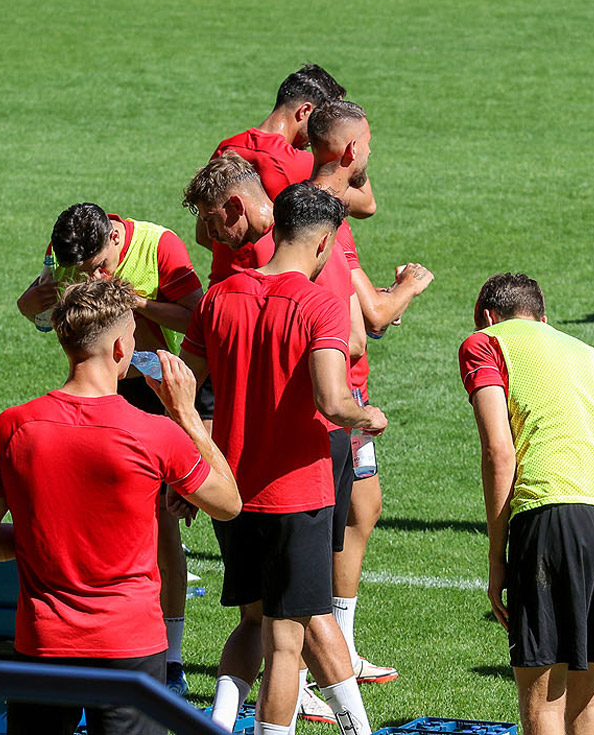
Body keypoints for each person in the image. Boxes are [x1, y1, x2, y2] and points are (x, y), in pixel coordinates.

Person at [0, 277, 241, 735]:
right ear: (119, 348)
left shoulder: (12, 427)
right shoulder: (154, 432)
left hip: (44, 644)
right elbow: (228, 504)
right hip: (130, 645)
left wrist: (45, 539)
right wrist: (187, 413)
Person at [181, 183, 384, 735]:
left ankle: (220, 723)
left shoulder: (218, 296)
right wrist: (369, 418)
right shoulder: (318, 304)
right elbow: (332, 401)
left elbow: (179, 386)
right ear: (324, 243)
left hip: (232, 491)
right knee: (287, 640)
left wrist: (191, 466)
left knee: (252, 620)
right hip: (297, 493)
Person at [15, 202, 207, 694]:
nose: (94, 277)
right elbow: (28, 309)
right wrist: (46, 295)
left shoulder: (159, 245)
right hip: (92, 390)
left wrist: (137, 305)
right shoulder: (63, 257)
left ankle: (172, 658)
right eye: (84, 272)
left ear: (116, 239)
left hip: (149, 391)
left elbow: (196, 321)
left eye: (100, 266)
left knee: (162, 523)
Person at [457, 273, 594, 735]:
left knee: (543, 704)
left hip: (551, 510)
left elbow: (499, 451)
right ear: (543, 318)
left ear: (489, 318)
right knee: (587, 704)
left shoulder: (485, 342)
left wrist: (497, 556)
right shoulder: (590, 355)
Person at [306, 98, 433, 686]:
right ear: (352, 151)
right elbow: (370, 322)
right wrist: (409, 287)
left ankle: (341, 646)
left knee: (363, 508)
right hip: (339, 396)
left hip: (343, 390)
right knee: (328, 526)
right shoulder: (330, 222)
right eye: (368, 147)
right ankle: (312, 672)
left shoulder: (318, 213)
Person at [204, 64, 355, 285]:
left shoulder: (225, 149)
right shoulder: (296, 162)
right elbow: (367, 205)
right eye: (321, 122)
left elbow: (203, 234)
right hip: (275, 294)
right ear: (304, 112)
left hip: (223, 289)